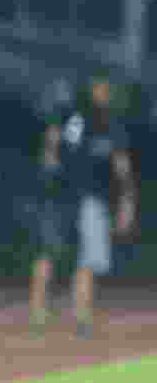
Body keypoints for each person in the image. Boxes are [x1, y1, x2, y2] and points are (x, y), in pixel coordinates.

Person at [33, 76, 137, 337]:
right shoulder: (77, 117)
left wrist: (126, 201)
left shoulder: (113, 125)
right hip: (63, 195)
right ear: (91, 90)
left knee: (89, 258)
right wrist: (50, 165)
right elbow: (55, 141)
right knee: (50, 250)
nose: (103, 92)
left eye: (106, 88)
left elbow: (121, 166)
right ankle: (38, 309)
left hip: (93, 198)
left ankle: (81, 316)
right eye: (99, 87)